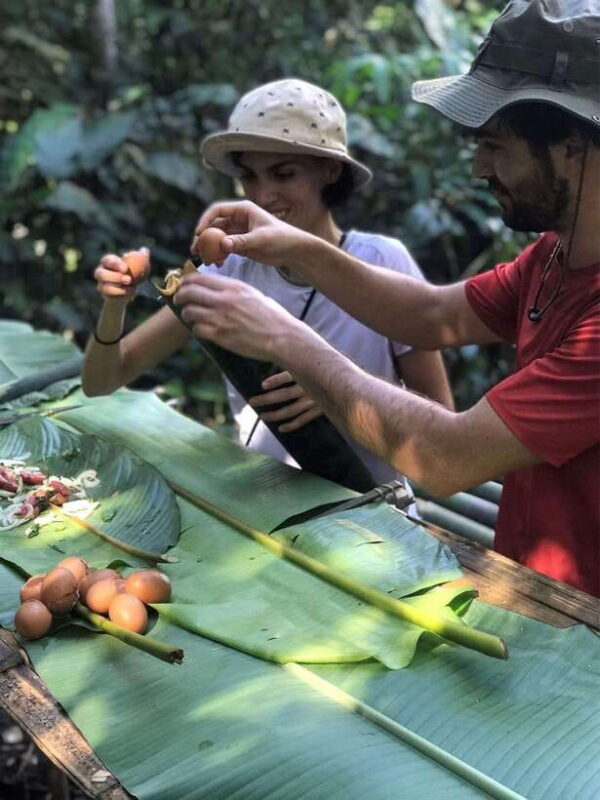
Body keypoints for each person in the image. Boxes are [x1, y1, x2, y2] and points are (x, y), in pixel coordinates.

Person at [175, 0, 600, 596]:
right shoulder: (554, 257)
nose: (478, 168)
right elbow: (432, 315)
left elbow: (447, 457)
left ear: (570, 148)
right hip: (534, 587)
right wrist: (299, 248)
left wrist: (282, 336)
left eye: (495, 145)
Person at [82, 79, 453, 499]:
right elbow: (104, 379)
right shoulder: (226, 271)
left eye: (284, 174)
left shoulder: (384, 262)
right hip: (269, 515)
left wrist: (341, 392)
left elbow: (441, 424)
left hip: (377, 514)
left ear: (329, 171)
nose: (262, 195)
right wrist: (115, 305)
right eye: (249, 177)